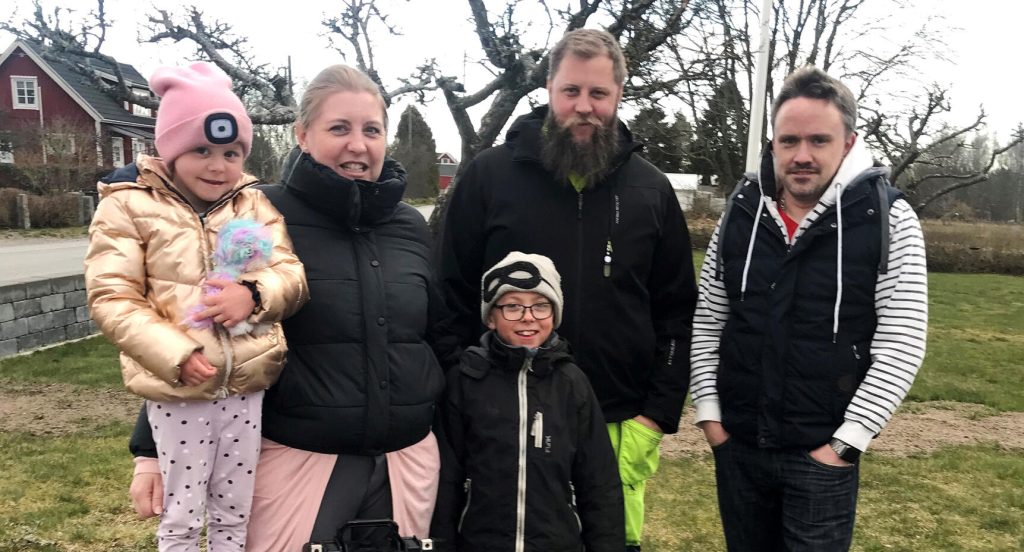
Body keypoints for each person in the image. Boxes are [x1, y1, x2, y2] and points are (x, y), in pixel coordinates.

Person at [127, 64, 457, 551]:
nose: (358, 145)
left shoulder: (410, 226)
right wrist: (150, 452)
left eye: (372, 130)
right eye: (339, 128)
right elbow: (194, 324)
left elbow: (440, 334)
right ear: (302, 134)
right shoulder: (258, 214)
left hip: (405, 461)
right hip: (295, 456)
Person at [437, 28, 697, 551]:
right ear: (549, 91)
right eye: (571, 92)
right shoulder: (489, 177)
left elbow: (677, 311)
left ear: (619, 94)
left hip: (620, 420)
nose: (584, 107)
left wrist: (656, 415)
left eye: (598, 94)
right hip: (502, 419)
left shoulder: (651, 189)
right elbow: (448, 293)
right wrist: (462, 391)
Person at [689, 66, 928, 551]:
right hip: (739, 448)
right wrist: (711, 420)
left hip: (823, 455)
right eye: (788, 140)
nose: (801, 156)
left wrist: (845, 443)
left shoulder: (886, 216)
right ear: (773, 143)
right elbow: (710, 320)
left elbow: (901, 341)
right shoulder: (740, 211)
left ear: (848, 143)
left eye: (819, 140)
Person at [85, 62, 309, 551]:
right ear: (169, 148)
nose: (218, 165)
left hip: (246, 387)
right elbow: (112, 296)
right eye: (202, 150)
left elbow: (290, 275)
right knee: (182, 516)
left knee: (234, 511)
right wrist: (174, 354)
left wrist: (253, 295)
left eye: (232, 152)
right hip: (180, 389)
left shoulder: (254, 205)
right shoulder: (127, 205)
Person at [432, 252, 624, 551]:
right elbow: (446, 479)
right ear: (491, 318)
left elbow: (600, 482)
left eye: (540, 306)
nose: (527, 317)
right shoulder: (465, 381)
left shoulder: (573, 384)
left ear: (555, 314)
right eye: (512, 307)